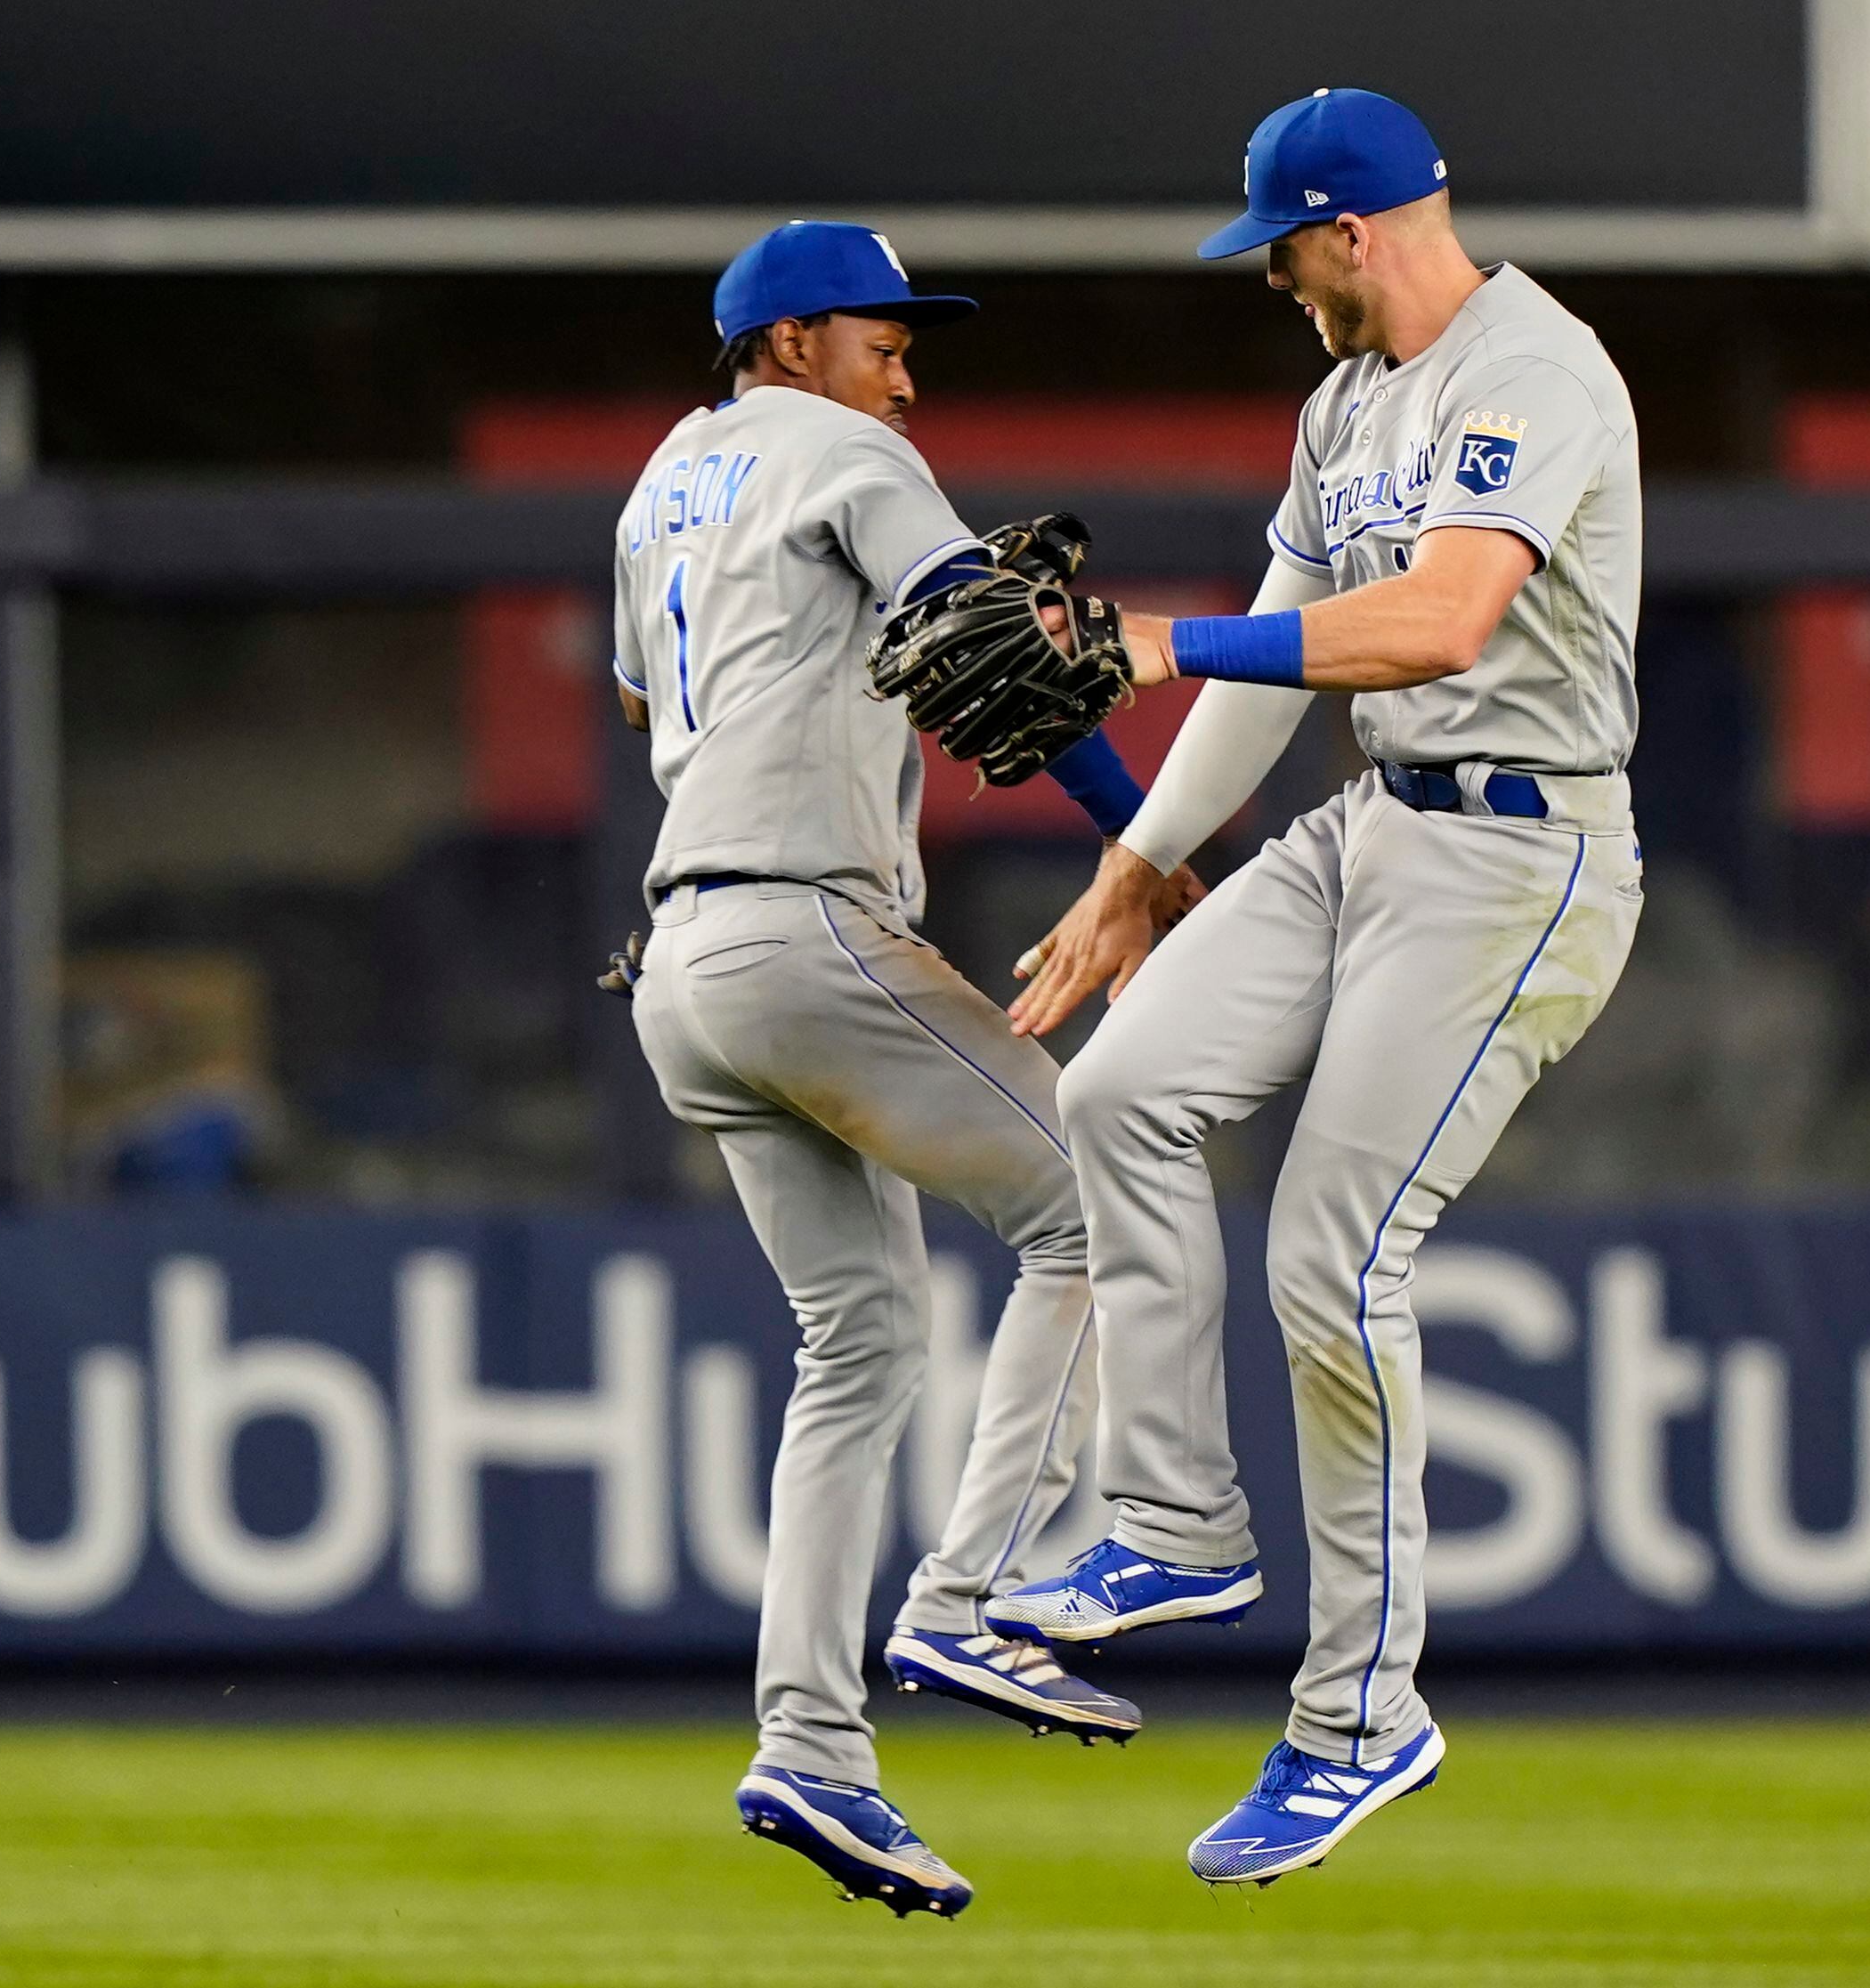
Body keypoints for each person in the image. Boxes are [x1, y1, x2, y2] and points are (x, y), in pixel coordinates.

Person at [990, 90, 1647, 1887]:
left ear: (1350, 230)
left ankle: (1361, 1716)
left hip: (1526, 847)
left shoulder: (1536, 368)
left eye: (1280, 251)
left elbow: (1439, 624)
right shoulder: (1342, 403)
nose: (1272, 281)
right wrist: (1136, 868)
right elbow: (1278, 681)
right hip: (1378, 821)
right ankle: (1180, 1520)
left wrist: (1147, 635)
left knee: (1330, 1253)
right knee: (1116, 1095)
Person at [604, 222, 1196, 1919]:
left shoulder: (654, 487)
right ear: (788, 341)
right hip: (801, 928)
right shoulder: (847, 446)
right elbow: (986, 648)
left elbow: (668, 687)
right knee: (1093, 1198)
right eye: (883, 337)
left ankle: (809, 1742)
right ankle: (978, 1581)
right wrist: (1146, 851)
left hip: (680, 970)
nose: (908, 369)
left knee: (857, 1340)